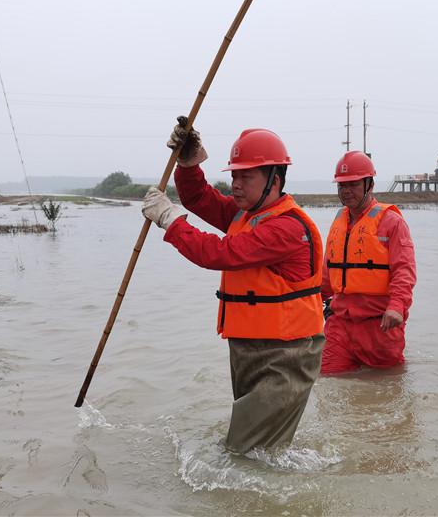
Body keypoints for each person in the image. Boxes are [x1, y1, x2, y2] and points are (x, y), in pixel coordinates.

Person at [141, 118, 325, 453]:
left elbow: (217, 253)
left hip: (285, 355)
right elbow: (198, 197)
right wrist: (189, 162)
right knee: (258, 451)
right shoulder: (243, 216)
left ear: (275, 177)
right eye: (234, 175)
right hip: (249, 349)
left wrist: (170, 220)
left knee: (245, 454)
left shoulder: (287, 228)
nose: (236, 184)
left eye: (245, 175)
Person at [320, 151, 416, 375]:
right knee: (327, 380)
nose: (346, 191)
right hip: (339, 324)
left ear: (369, 184)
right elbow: (327, 272)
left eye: (353, 184)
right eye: (342, 185)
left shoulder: (392, 222)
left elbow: (404, 270)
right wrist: (308, 302)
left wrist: (396, 308)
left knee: (386, 388)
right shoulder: (339, 220)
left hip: (380, 326)